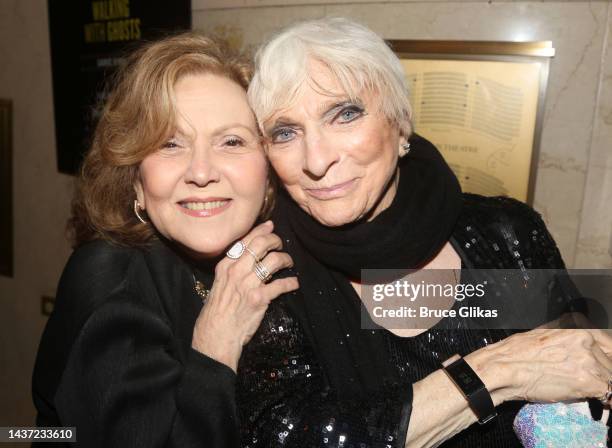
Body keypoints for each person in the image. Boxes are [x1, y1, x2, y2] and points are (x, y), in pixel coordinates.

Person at [239, 17, 612, 447]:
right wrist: (500, 371)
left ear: (400, 123)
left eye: (344, 114)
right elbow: (291, 436)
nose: (317, 160)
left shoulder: (505, 232)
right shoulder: (272, 277)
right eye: (286, 132)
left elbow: (584, 374)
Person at [31, 33, 299, 447]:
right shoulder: (108, 278)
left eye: (231, 141)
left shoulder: (265, 255)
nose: (202, 171)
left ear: (267, 176)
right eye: (170, 144)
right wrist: (216, 348)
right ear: (135, 179)